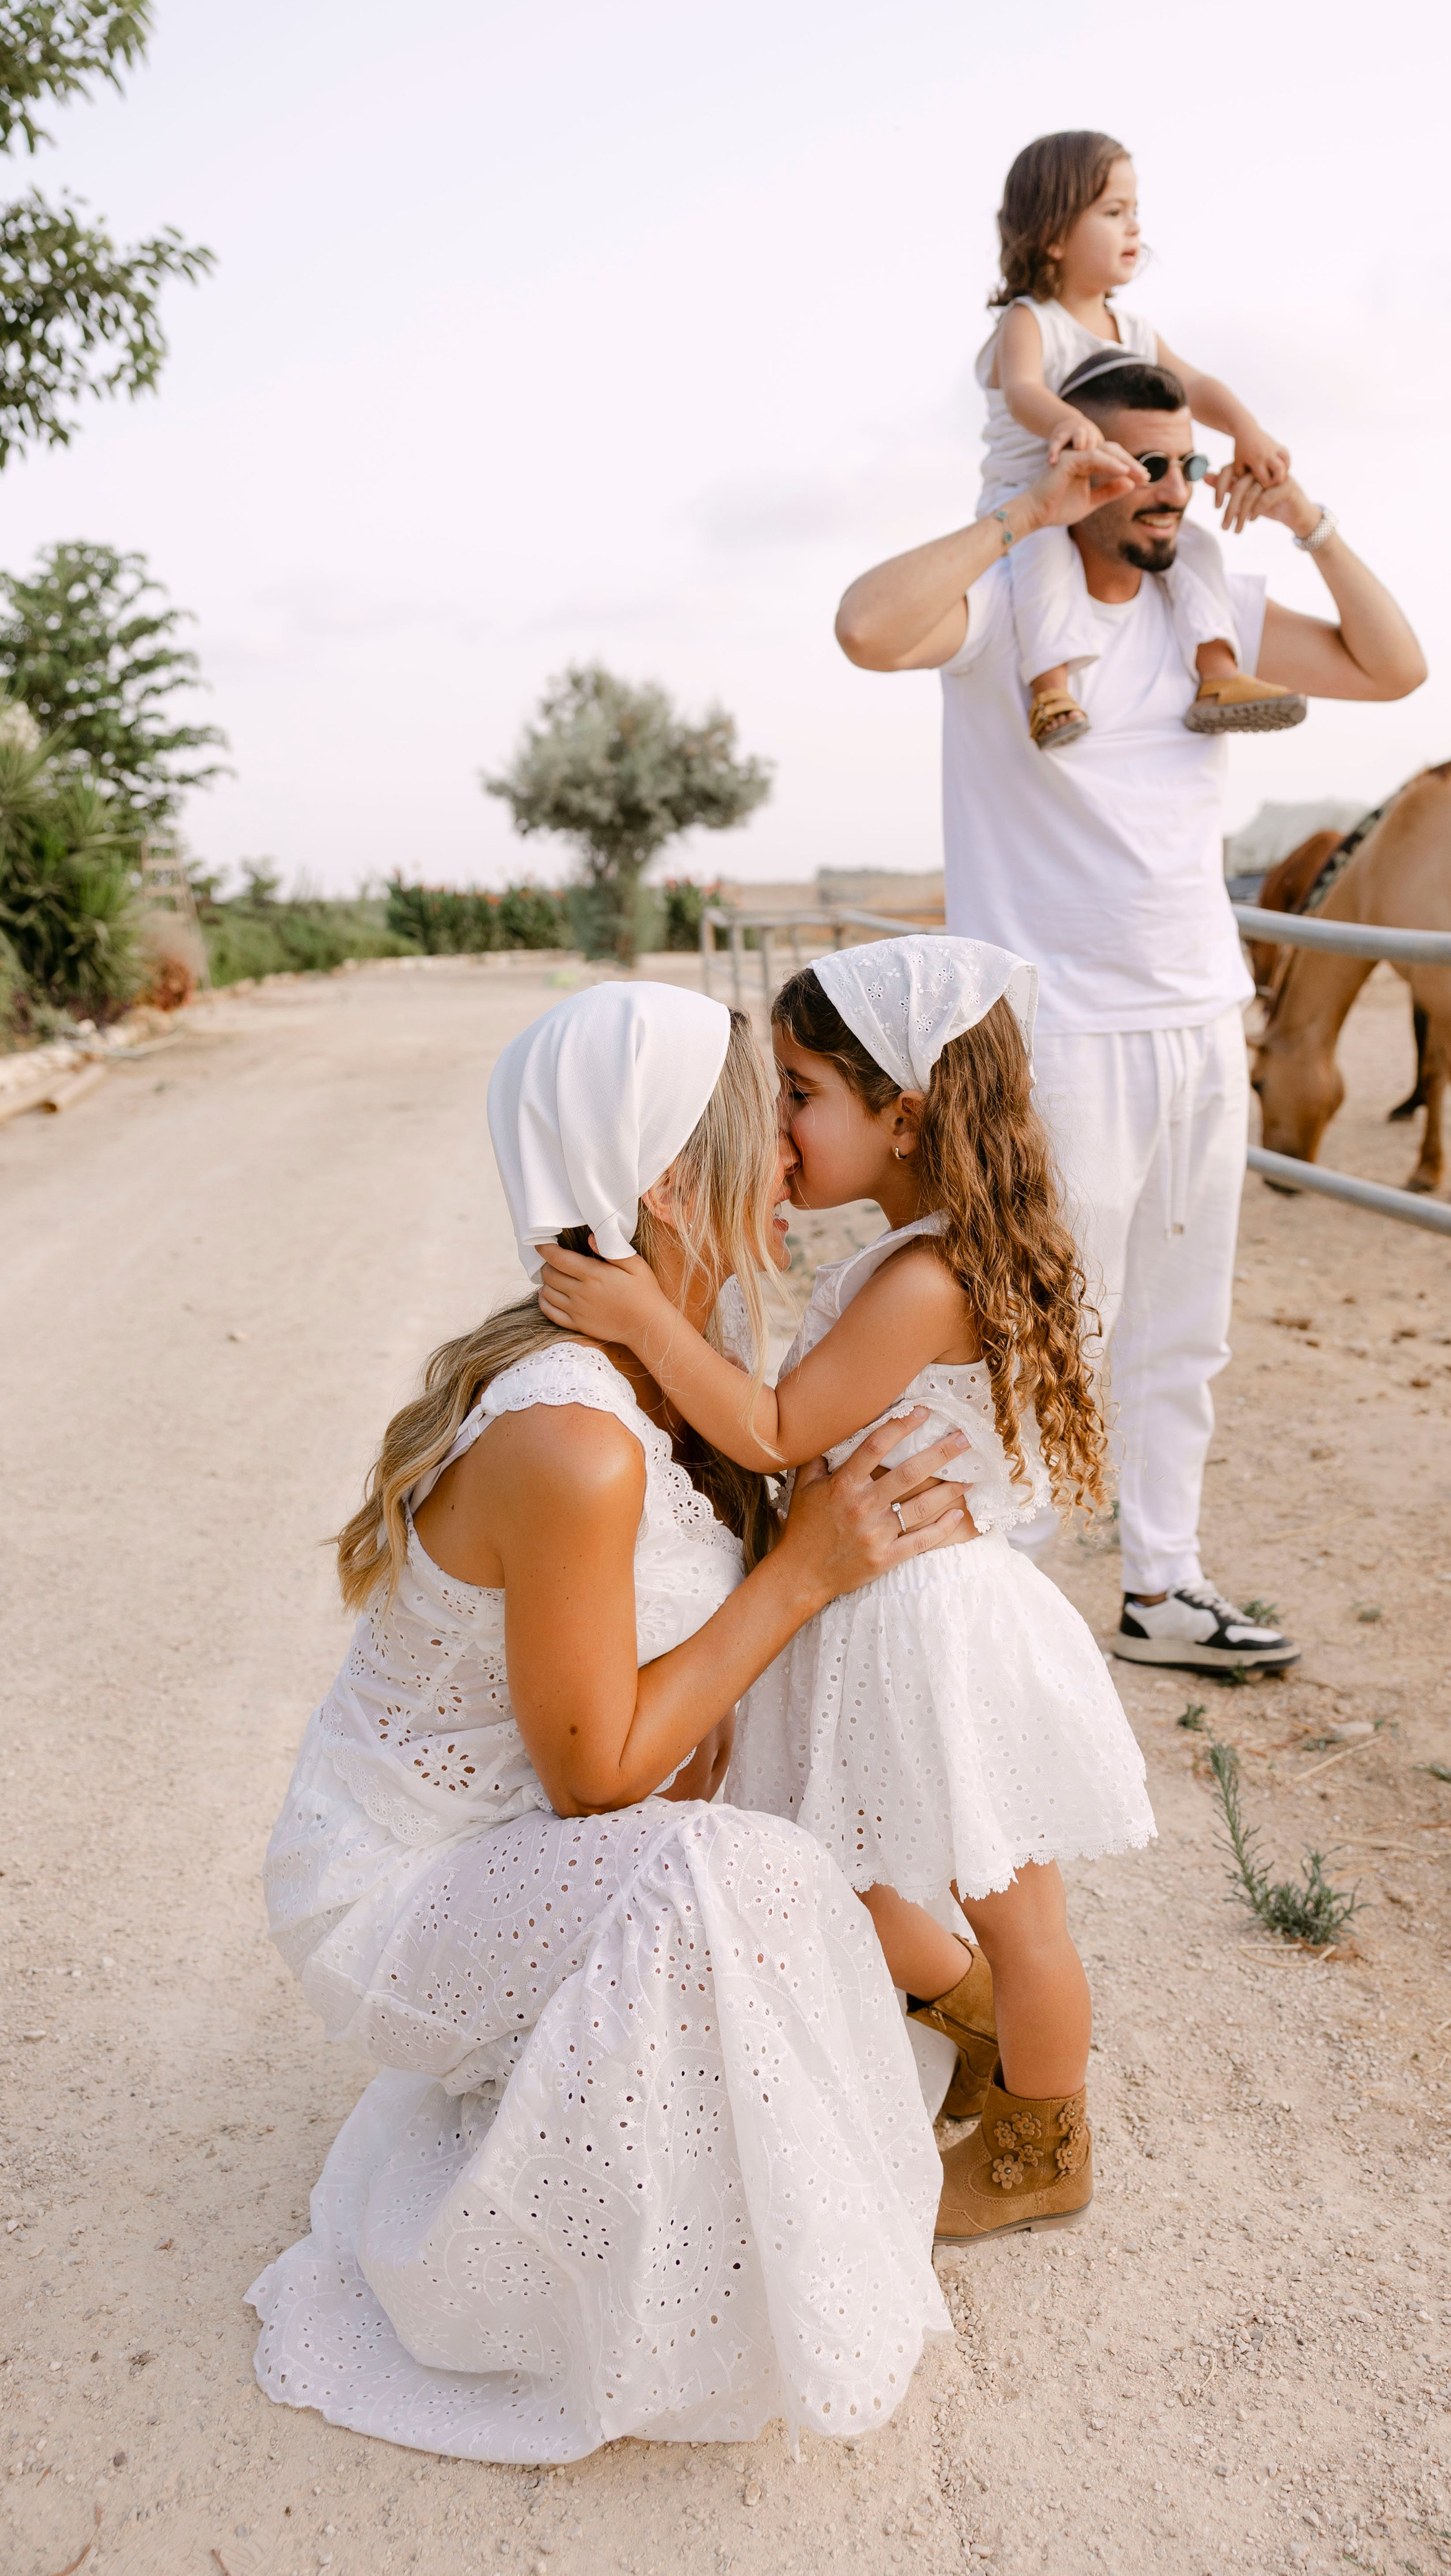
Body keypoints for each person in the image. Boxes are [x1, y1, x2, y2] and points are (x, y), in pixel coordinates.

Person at [247, 982, 974, 2466]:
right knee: (734, 1880)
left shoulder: (667, 1376)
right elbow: (596, 1783)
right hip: (391, 1901)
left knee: (765, 1853)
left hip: (515, 1857)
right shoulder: (573, 1434)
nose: (792, 1150)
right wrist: (804, 1569)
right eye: (763, 1117)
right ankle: (503, 2286)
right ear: (667, 1179)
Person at [538, 937, 1155, 2248]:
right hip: (870, 1614)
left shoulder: (925, 1282)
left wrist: (649, 1320)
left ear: (904, 1115)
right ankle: (974, 2024)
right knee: (832, 1861)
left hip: (933, 1628)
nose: (782, 1123)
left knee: (1017, 1907)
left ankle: (1047, 2134)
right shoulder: (906, 1260)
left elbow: (771, 1430)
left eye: (801, 1090)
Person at [835, 361, 1426, 1675]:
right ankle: (1000, 1595)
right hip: (1062, 1032)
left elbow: (1396, 667)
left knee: (1182, 1327)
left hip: (1204, 1016)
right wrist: (1022, 514)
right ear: (1085, 465)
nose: (1169, 490)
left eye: (1184, 467)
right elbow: (867, 631)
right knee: (1050, 1319)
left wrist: (1305, 513)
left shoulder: (1208, 600)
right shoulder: (1006, 607)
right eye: (1140, 464)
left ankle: (1163, 1584)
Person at [977, 129, 1302, 751]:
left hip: (1109, 498)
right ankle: (1050, 690)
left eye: (1135, 212)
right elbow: (1021, 389)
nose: (1134, 228)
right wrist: (1063, 423)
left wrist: (1246, 430)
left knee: (1197, 549)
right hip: (1037, 502)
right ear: (1052, 235)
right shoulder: (1029, 320)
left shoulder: (1131, 327)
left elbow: (1196, 383)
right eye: (1112, 212)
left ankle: (1218, 674)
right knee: (1043, 563)